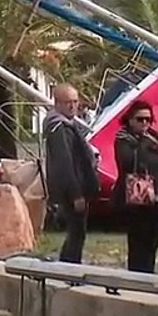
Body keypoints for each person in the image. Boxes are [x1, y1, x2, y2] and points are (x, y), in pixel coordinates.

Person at [114, 100, 158, 273]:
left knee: (152, 242)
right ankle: (137, 276)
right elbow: (127, 163)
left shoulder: (155, 137)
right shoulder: (124, 138)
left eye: (148, 120)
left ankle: (148, 273)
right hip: (138, 198)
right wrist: (144, 143)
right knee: (138, 243)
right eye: (140, 119)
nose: (145, 123)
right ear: (130, 120)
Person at [43, 83, 99, 264]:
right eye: (68, 102)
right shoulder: (58, 127)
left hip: (79, 184)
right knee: (76, 233)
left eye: (75, 102)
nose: (72, 106)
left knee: (78, 232)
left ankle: (70, 265)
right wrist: (75, 194)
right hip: (71, 189)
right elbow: (64, 163)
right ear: (57, 103)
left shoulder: (69, 125)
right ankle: (69, 267)